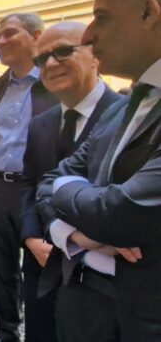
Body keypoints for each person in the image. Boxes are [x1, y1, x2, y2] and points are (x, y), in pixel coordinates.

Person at [37, 0, 161, 340]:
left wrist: (68, 191)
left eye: (101, 17)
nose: (89, 35)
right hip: (81, 302)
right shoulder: (121, 110)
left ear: (149, 12)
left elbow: (117, 212)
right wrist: (75, 234)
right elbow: (45, 182)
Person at [21, 21, 122, 342]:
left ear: (95, 55)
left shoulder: (129, 116)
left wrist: (75, 236)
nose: (50, 64)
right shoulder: (40, 124)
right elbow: (30, 184)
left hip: (107, 281)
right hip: (42, 263)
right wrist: (30, 237)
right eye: (42, 58)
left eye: (63, 51)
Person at [0, 12, 58, 342]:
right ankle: (7, 332)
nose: (0, 41)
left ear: (36, 36)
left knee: (39, 267)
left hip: (34, 190)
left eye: (9, 33)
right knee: (0, 266)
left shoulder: (55, 84)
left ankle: (39, 333)